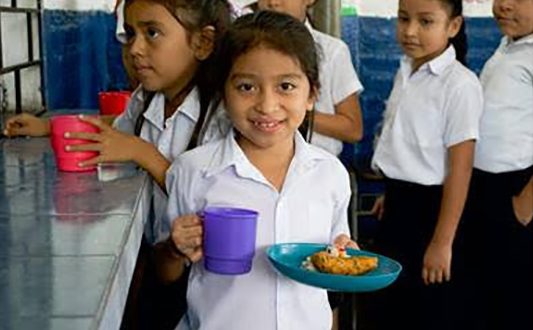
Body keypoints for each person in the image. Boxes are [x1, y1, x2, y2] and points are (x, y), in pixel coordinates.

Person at [155, 11, 358, 330]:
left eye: (286, 86)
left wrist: (346, 256)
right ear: (223, 94)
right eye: (247, 87)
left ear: (312, 95)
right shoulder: (194, 171)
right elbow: (164, 272)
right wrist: (173, 249)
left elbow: (332, 270)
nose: (267, 105)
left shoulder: (329, 174)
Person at [367, 0, 483, 329]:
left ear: (454, 26)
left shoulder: (459, 85)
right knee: (389, 305)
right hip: (398, 203)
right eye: (404, 19)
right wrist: (393, 192)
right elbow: (408, 146)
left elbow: (460, 169)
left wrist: (442, 242)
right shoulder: (407, 69)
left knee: (427, 309)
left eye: (426, 21)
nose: (410, 31)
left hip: (434, 213)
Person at [458, 0, 533, 329]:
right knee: (484, 297)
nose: (503, 5)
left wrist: (525, 206)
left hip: (516, 190)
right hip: (485, 188)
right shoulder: (510, 46)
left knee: (514, 301)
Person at [251, 0, 364, 156]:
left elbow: (353, 129)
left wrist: (290, 114)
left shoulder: (332, 51)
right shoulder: (244, 49)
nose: (273, 2)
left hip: (318, 167)